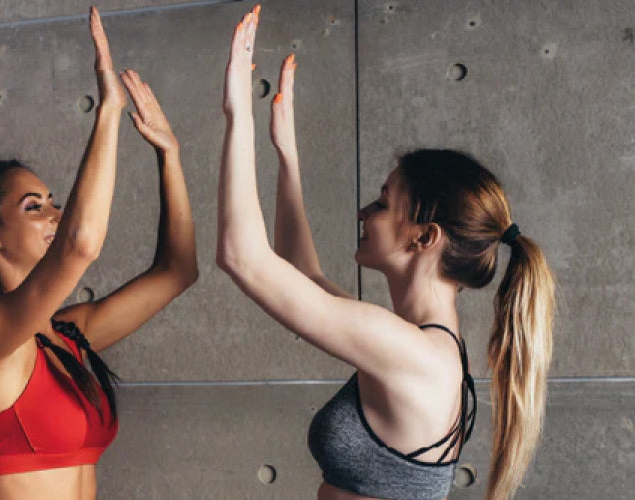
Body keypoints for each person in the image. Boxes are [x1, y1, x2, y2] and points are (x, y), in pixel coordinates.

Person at [216, 5, 554, 500]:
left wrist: (236, 112)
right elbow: (302, 275)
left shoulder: (417, 355)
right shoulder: (421, 346)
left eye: (382, 203)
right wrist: (286, 155)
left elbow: (241, 257)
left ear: (424, 237)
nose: (363, 213)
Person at [0, 8, 197, 499]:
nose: (57, 214)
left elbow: (177, 272)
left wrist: (170, 156)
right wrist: (108, 111)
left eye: (56, 202)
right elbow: (81, 244)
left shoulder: (67, 337)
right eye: (34, 207)